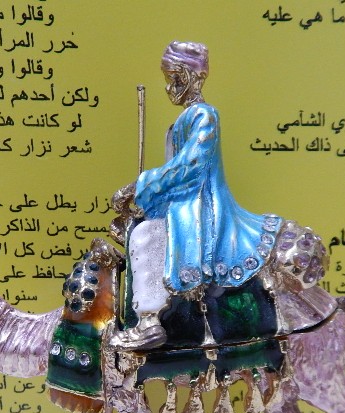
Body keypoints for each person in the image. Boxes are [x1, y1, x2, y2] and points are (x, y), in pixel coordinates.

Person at [111, 41, 283, 350]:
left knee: (145, 237)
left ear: (193, 77)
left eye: (175, 78)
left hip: (202, 210)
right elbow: (172, 178)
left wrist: (139, 185)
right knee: (138, 227)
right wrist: (144, 200)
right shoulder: (179, 124)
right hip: (181, 205)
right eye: (168, 79)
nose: (169, 87)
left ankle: (149, 321)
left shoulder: (204, 115)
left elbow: (189, 166)